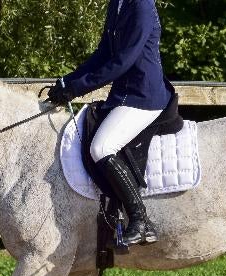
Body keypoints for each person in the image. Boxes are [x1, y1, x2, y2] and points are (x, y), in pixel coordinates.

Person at [47, 0, 175, 246]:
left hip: (144, 97)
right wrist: (67, 81)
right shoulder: (117, 3)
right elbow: (104, 54)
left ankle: (140, 220)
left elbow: (123, 62)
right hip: (123, 95)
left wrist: (78, 88)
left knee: (101, 148)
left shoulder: (141, 6)